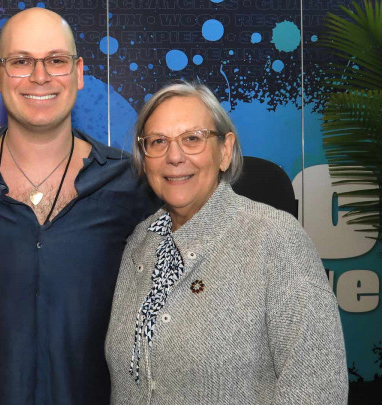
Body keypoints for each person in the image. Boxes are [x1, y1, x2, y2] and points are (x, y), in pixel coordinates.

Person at [0, 7, 157, 405]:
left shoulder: (130, 185)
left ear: (79, 73)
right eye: (21, 61)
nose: (40, 76)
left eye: (56, 61)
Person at [105, 81, 348, 404]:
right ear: (145, 157)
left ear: (225, 151)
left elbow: (318, 389)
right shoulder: (140, 243)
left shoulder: (274, 239)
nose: (174, 156)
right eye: (158, 141)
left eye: (192, 139)